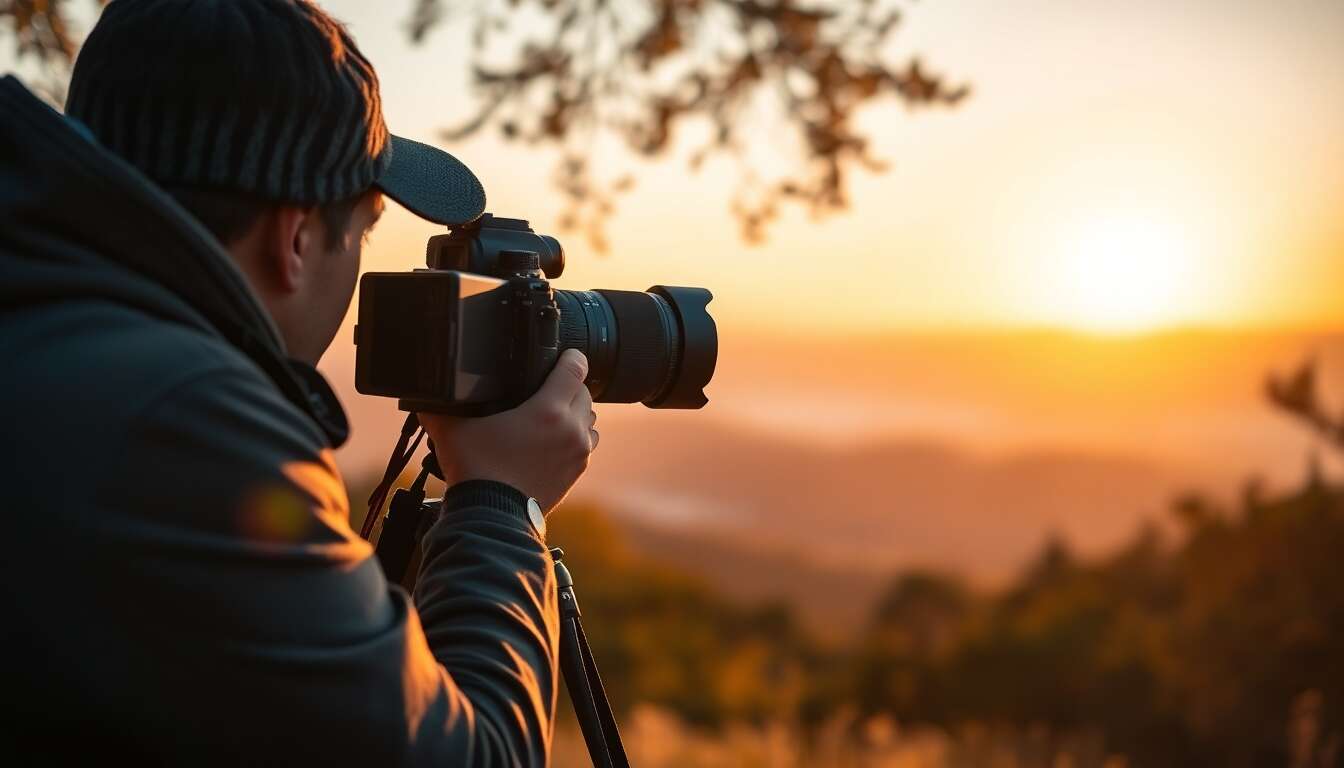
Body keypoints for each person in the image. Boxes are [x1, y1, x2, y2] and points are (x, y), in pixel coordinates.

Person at [0, 0, 597, 763]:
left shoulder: (43, 335)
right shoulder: (190, 427)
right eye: (362, 230)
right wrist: (500, 505)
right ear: (298, 238)